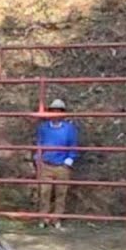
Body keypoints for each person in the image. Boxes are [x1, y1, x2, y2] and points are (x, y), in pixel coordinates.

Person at [36, 98, 79, 229]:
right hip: (46, 164)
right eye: (53, 110)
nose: (56, 113)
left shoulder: (69, 129)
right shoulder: (43, 128)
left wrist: (69, 160)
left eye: (59, 111)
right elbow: (39, 143)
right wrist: (38, 158)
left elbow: (73, 145)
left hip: (62, 166)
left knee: (61, 193)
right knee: (44, 192)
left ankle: (56, 219)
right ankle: (43, 219)